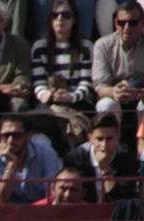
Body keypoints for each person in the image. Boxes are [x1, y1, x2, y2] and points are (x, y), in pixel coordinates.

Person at [32, 0, 96, 148]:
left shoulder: (85, 47)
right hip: (49, 103)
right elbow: (38, 83)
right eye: (55, 15)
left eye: (66, 15)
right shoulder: (39, 47)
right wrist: (46, 95)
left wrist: (71, 96)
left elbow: (86, 83)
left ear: (74, 19)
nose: (60, 19)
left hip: (78, 103)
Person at [93, 2, 144, 143]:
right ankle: (113, 147)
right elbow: (100, 87)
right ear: (115, 23)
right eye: (122, 22)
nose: (126, 28)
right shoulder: (102, 45)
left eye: (133, 23)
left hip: (142, 95)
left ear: (143, 24)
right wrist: (114, 91)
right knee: (105, 105)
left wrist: (136, 93)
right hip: (115, 96)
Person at [0, 112, 62, 202]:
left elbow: (51, 194)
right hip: (4, 213)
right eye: (5, 135)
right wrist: (11, 166)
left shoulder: (47, 154)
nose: (10, 141)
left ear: (28, 136)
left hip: (39, 210)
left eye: (17, 135)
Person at [64, 112, 141, 200]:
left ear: (118, 136)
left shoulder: (127, 160)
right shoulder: (76, 158)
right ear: (90, 138)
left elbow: (123, 200)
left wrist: (106, 170)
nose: (104, 145)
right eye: (99, 139)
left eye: (109, 138)